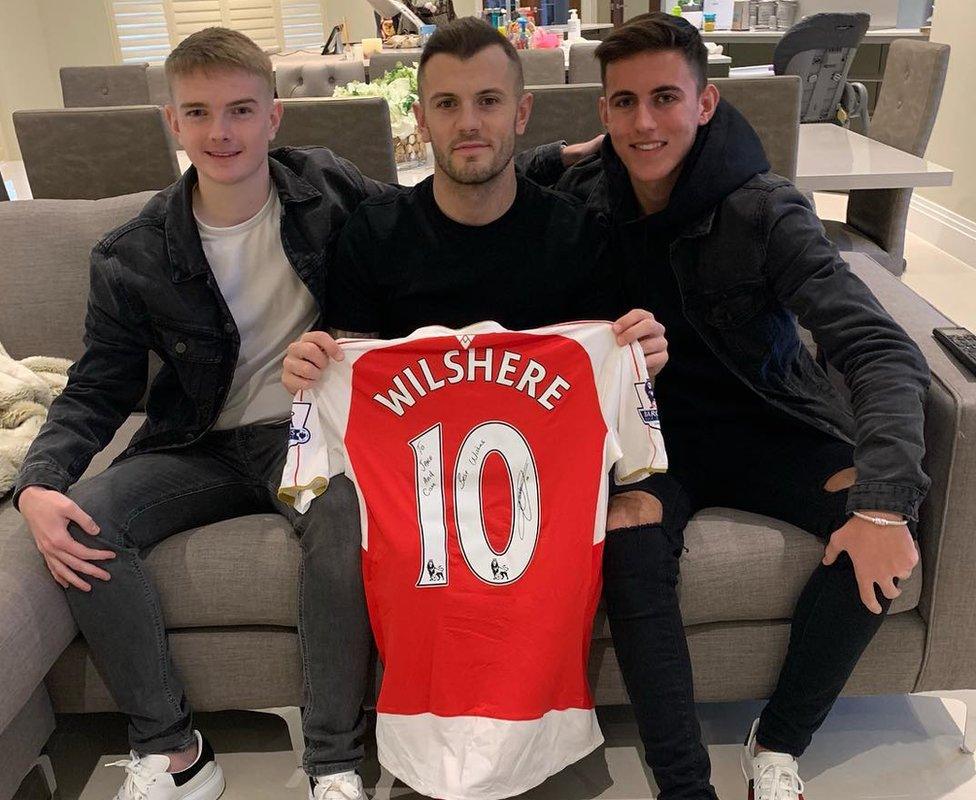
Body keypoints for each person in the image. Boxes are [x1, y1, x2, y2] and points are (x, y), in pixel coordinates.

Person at [540, 13, 929, 800]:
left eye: (664, 98)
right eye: (623, 103)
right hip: (650, 440)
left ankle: (779, 741)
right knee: (629, 553)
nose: (644, 122)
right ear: (603, 111)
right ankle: (684, 786)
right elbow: (479, 185)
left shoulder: (764, 208)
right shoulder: (580, 197)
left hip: (771, 421)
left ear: (706, 102)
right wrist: (553, 155)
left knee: (880, 539)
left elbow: (882, 350)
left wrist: (884, 507)